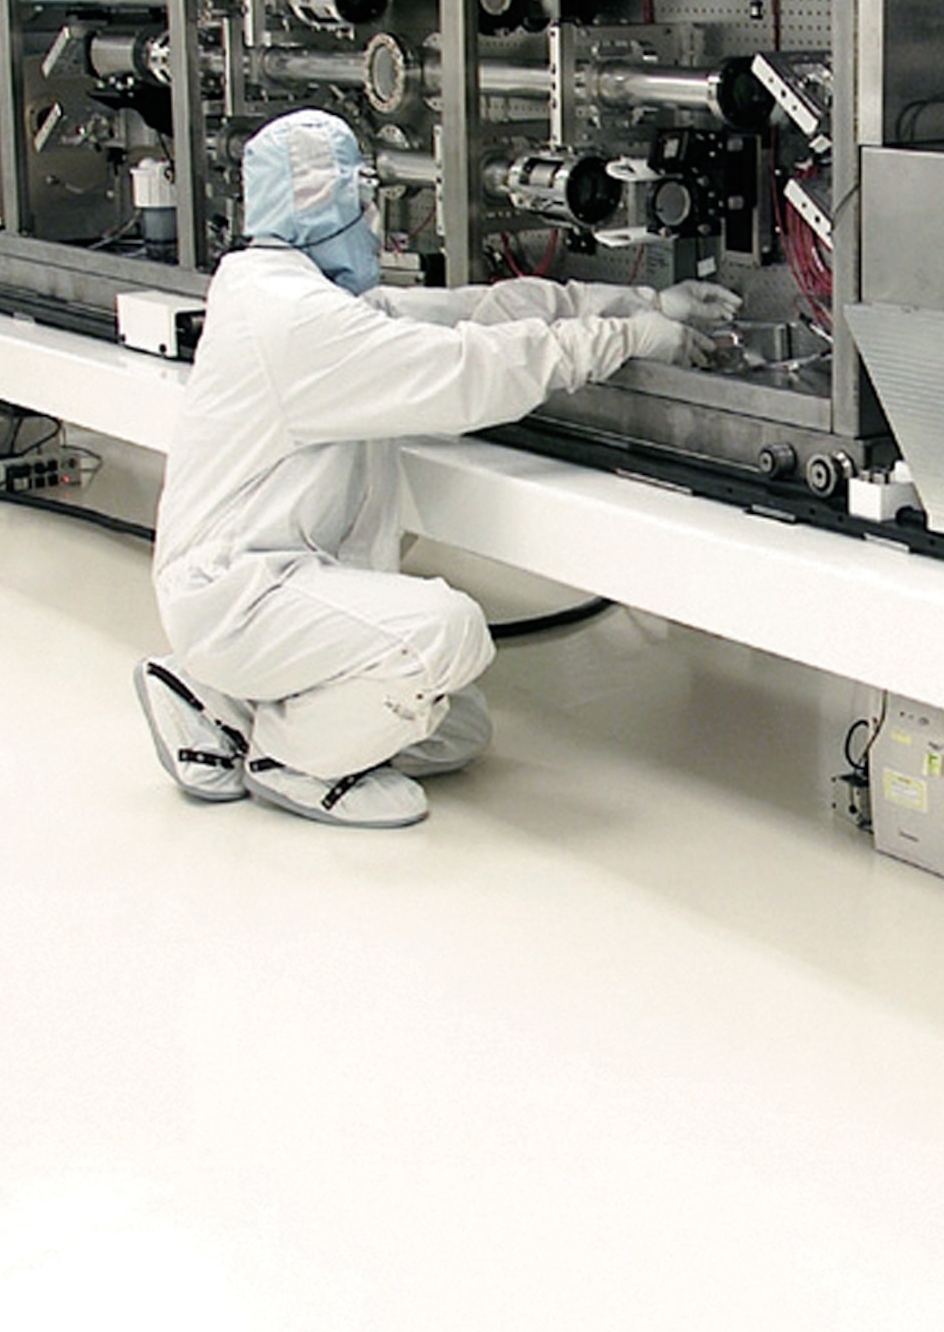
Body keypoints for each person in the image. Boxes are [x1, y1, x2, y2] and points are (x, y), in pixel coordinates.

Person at [136, 109, 739, 830]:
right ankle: (291, 762)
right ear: (324, 208)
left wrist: (643, 300)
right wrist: (625, 338)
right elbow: (466, 370)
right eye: (362, 204)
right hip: (241, 593)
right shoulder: (295, 317)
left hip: (278, 579)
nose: (370, 222)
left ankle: (209, 696)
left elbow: (470, 314)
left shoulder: (295, 291)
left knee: (457, 729)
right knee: (445, 634)